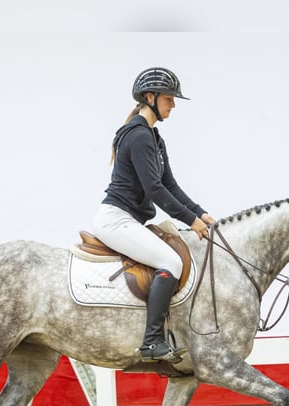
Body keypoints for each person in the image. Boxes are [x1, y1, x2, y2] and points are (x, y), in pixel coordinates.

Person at [92, 67, 216, 363]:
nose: (173, 104)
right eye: (169, 98)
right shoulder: (138, 137)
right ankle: (151, 343)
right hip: (116, 219)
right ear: (150, 97)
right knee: (170, 261)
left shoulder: (154, 139)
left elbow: (170, 184)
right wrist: (191, 220)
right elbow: (155, 190)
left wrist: (201, 212)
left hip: (131, 220)